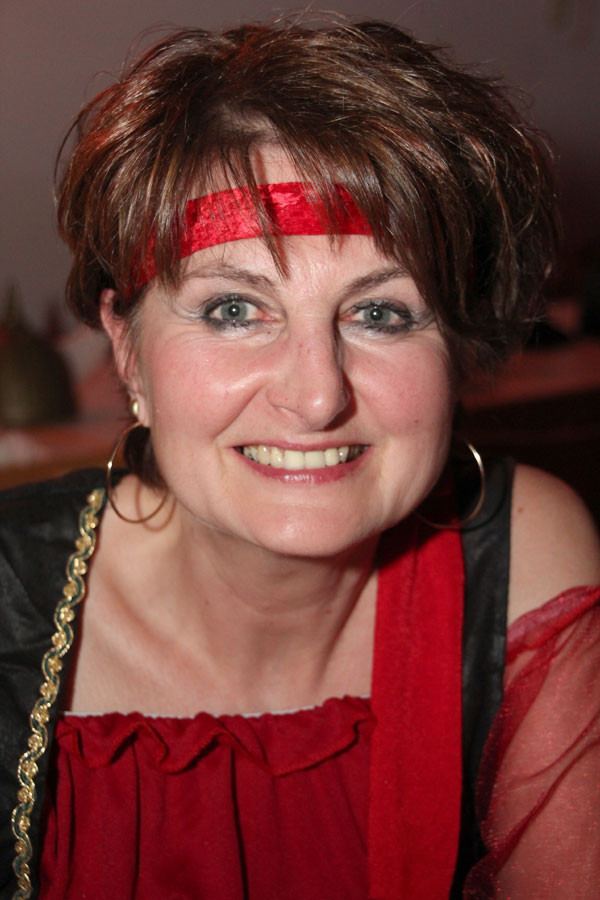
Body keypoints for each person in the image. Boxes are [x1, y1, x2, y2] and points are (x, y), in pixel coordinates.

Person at [1, 18, 599, 900]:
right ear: (126, 350)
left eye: (381, 314)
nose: (317, 397)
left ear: (457, 351)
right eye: (234, 310)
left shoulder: (521, 561)